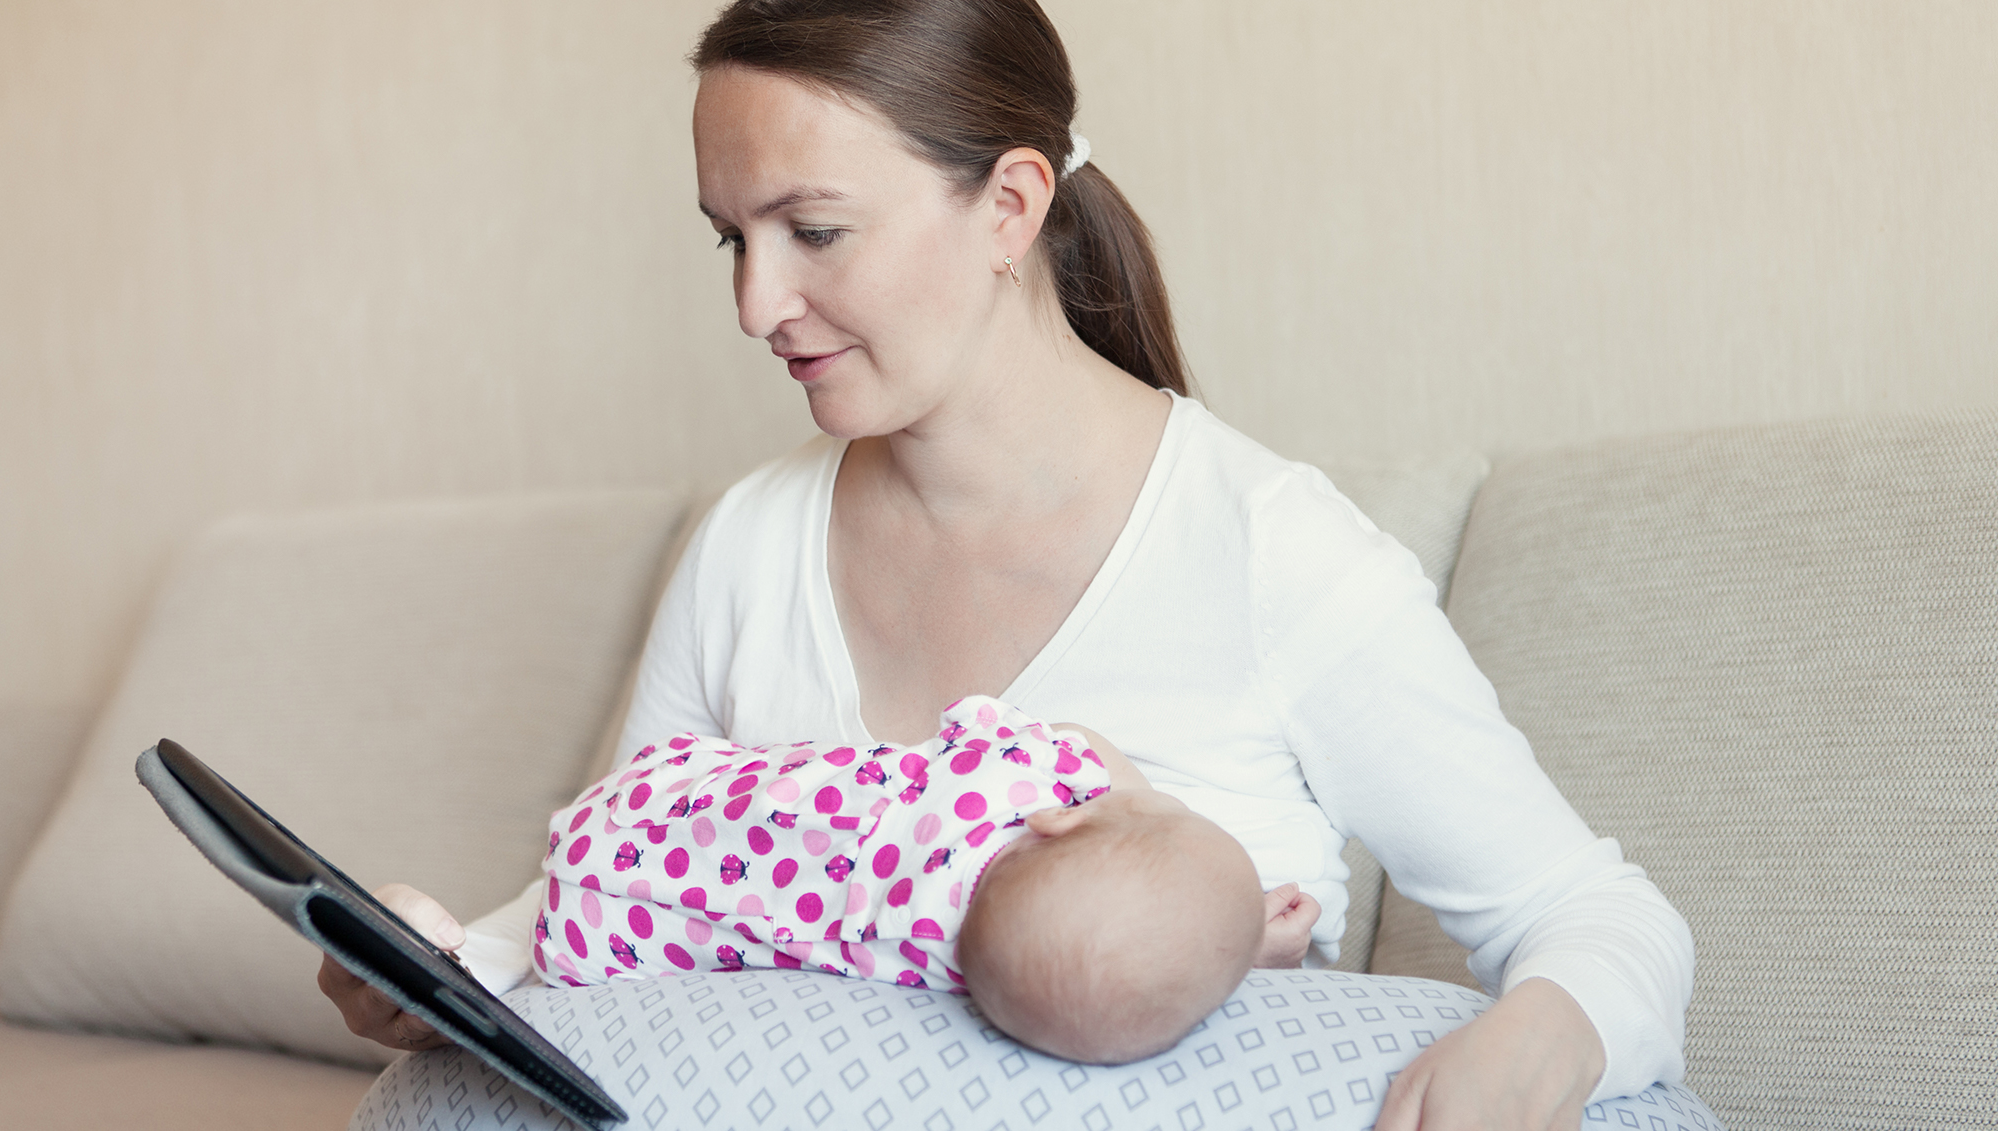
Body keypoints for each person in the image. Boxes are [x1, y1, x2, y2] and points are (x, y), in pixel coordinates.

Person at [321, 1, 1696, 1127]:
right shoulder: (746, 543)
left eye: (813, 230)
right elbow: (646, 881)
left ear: (1010, 204)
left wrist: (1539, 1043)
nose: (754, 303)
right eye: (731, 239)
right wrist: (452, 960)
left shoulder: (1268, 551)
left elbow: (1591, 913)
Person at [532, 694, 1320, 1064]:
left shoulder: (1008, 781)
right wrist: (1237, 942)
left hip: (659, 791)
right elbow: (1124, 954)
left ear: (1064, 817)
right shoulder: (939, 962)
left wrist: (1138, 806)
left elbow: (1078, 742)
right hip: (597, 927)